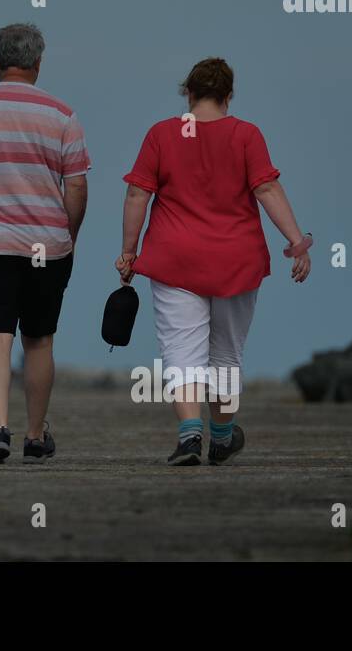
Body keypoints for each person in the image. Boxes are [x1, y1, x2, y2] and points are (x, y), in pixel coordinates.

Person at [116, 57, 311, 466]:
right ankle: (221, 438)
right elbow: (267, 188)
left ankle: (190, 437)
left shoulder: (163, 133)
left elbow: (138, 194)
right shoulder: (245, 134)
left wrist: (129, 252)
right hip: (236, 260)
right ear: (228, 96)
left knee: (181, 349)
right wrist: (296, 242)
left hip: (175, 258)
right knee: (226, 353)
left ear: (188, 92)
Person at [0, 23, 90, 464]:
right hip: (47, 243)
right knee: (40, 339)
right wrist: (70, 234)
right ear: (38, 63)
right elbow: (78, 187)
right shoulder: (63, 115)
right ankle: (34, 435)